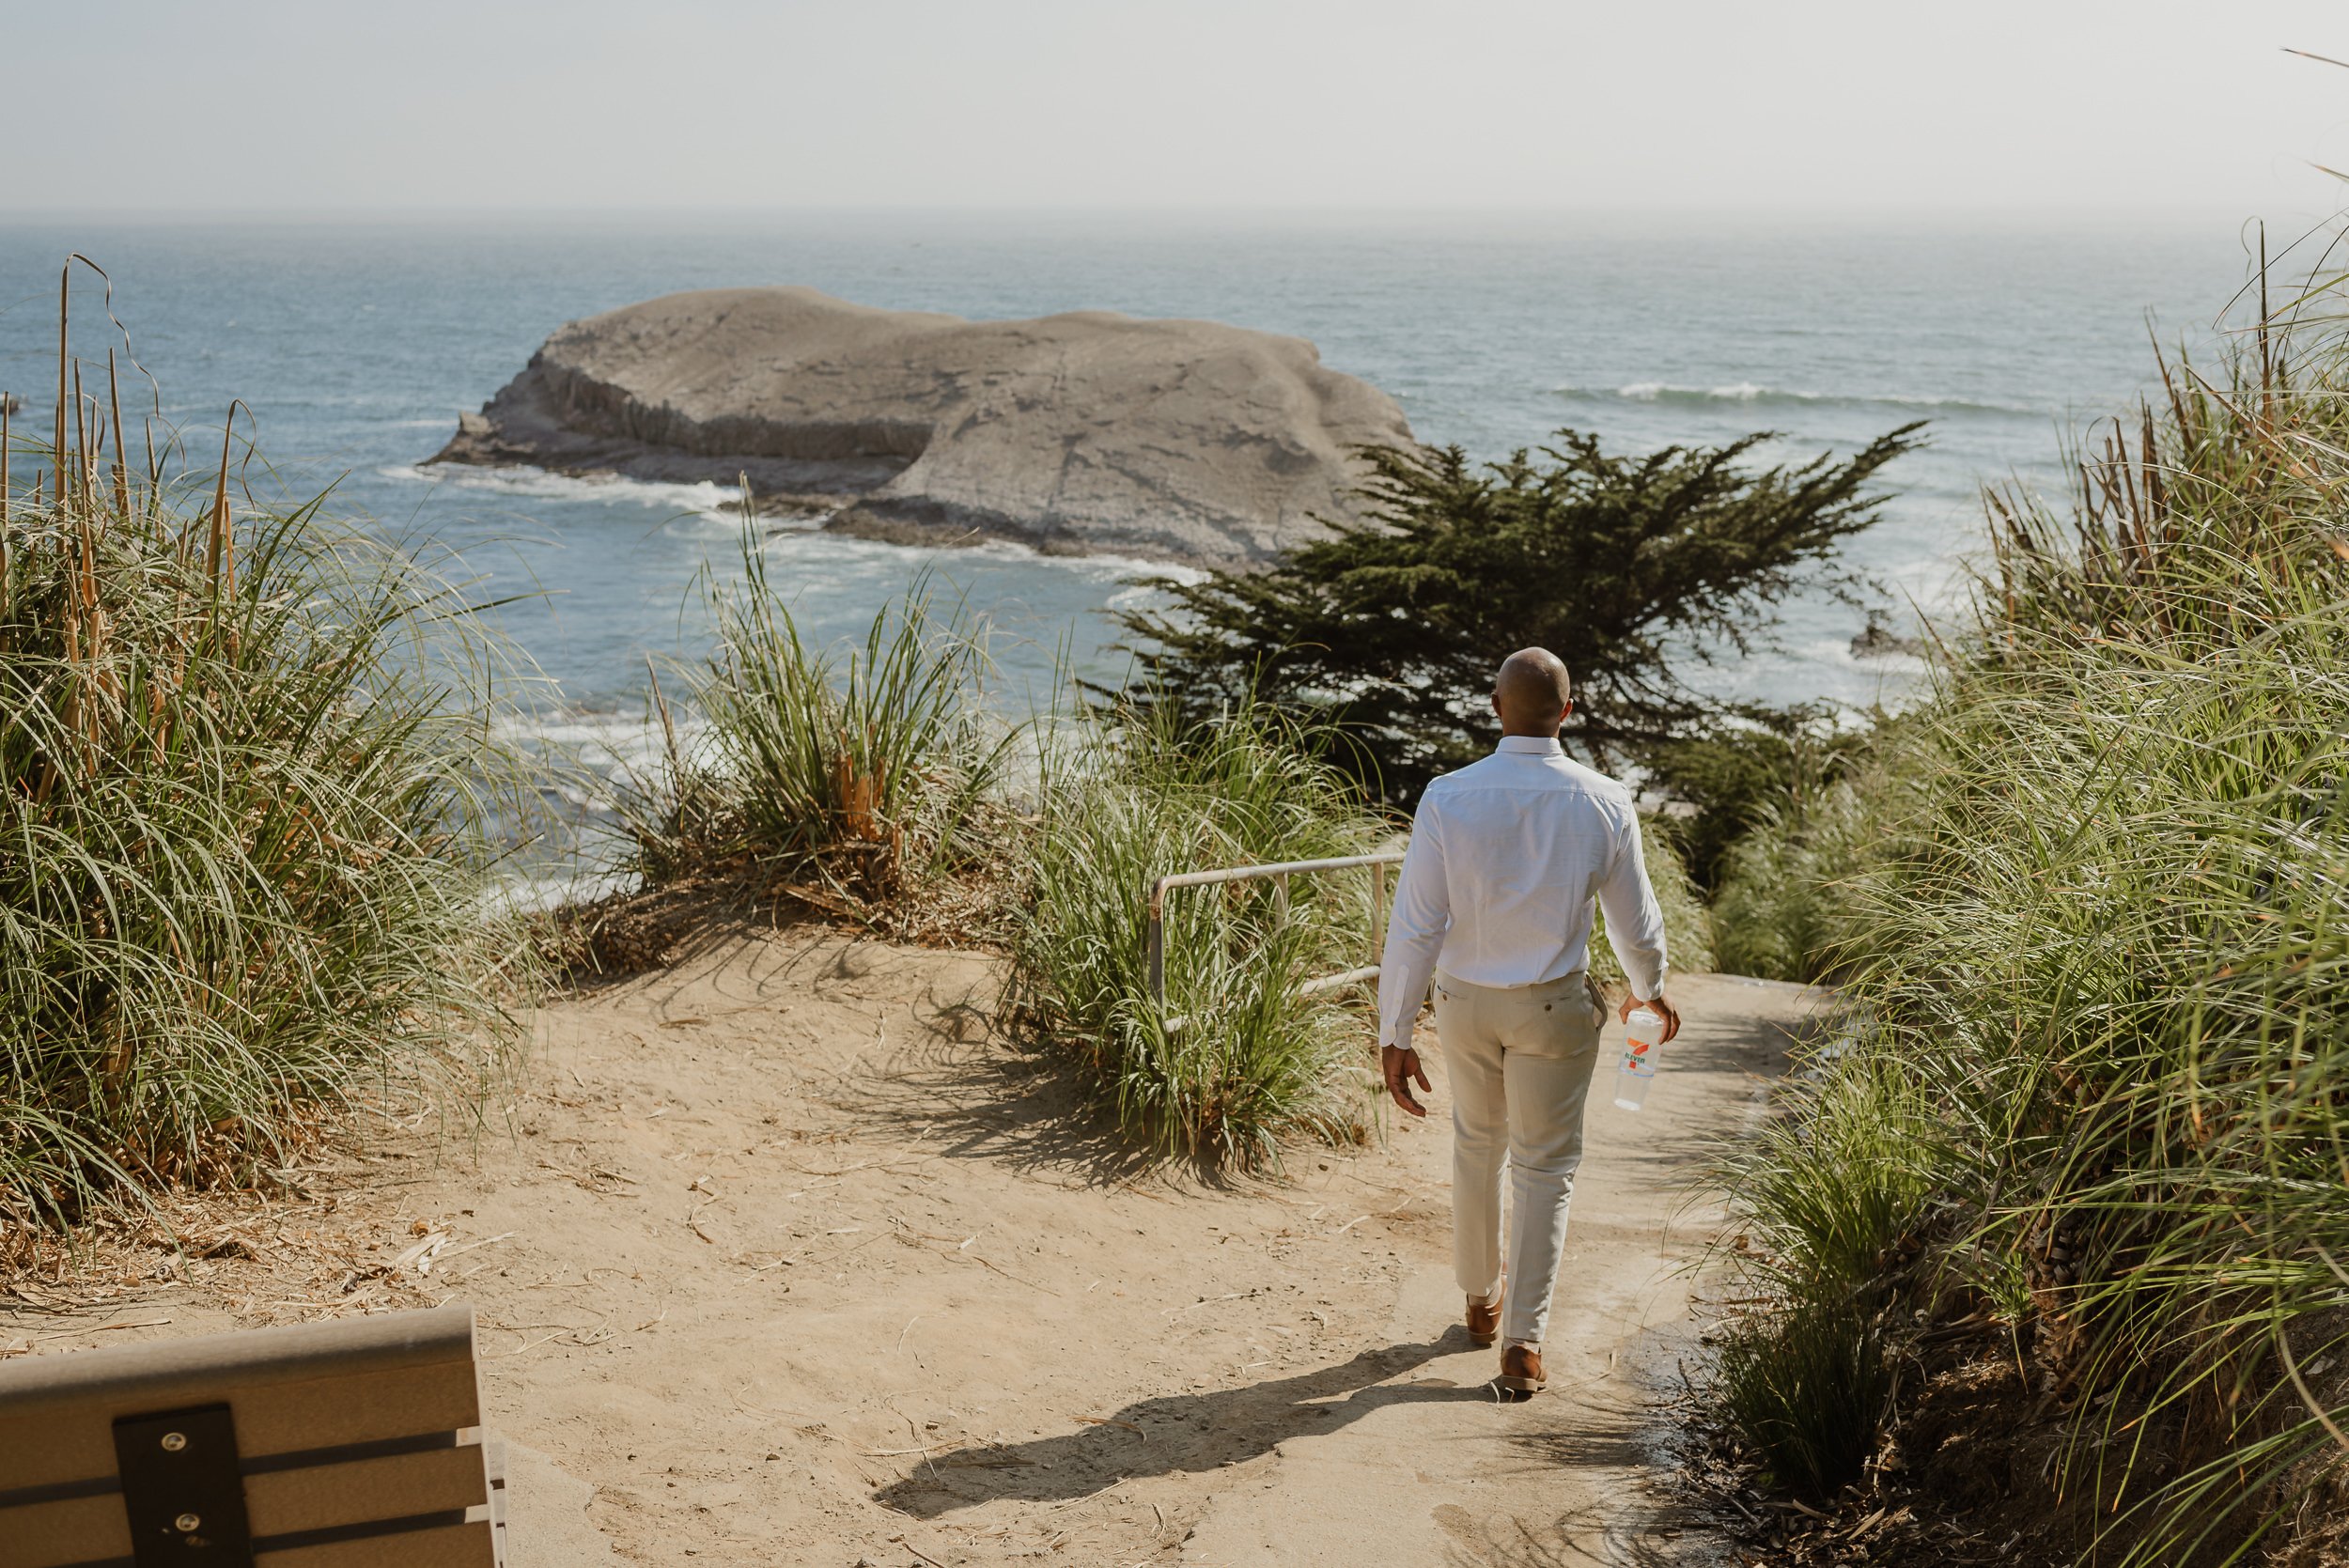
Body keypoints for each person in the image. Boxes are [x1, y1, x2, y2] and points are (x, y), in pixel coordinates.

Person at [1374, 647, 1679, 1396]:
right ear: (1567, 713)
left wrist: (1396, 1030)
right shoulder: (1604, 798)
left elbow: (1417, 923)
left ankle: (1480, 1300)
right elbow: (1632, 921)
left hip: (1464, 1003)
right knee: (1545, 1169)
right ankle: (1524, 1345)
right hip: (1552, 1008)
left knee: (1476, 1145)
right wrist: (1652, 989)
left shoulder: (1448, 795)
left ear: (1494, 706)